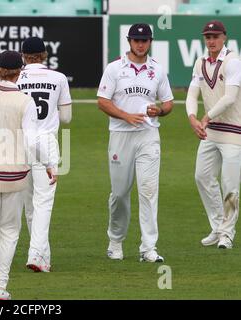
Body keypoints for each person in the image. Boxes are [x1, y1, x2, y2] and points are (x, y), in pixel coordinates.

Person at [0, 51, 57, 300]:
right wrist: (49, 163)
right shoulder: (25, 101)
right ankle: (0, 288)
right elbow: (32, 141)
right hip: (15, 175)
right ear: (20, 72)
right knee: (9, 232)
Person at [97, 23, 174, 262]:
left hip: (148, 136)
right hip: (121, 135)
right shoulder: (114, 68)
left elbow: (169, 102)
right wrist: (126, 116)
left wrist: (158, 111)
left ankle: (148, 248)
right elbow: (102, 101)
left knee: (149, 191)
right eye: (136, 40)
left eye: (145, 40)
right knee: (120, 193)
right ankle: (115, 240)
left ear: (150, 42)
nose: (141, 44)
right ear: (129, 42)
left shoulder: (157, 70)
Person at [16, 36, 72, 273]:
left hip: (18, 142)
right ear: (45, 55)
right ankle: (36, 254)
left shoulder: (16, 77)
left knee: (29, 204)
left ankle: (42, 257)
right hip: (46, 142)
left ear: (23, 56)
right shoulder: (58, 78)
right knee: (43, 202)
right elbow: (67, 117)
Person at [185, 20, 241, 249]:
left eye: (215, 36)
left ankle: (228, 233)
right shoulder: (199, 63)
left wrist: (206, 117)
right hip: (211, 133)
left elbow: (229, 97)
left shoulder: (233, 61)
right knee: (202, 177)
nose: (211, 41)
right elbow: (191, 94)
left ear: (224, 37)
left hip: (234, 133)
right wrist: (192, 118)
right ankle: (218, 227)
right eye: (208, 37)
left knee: (229, 186)